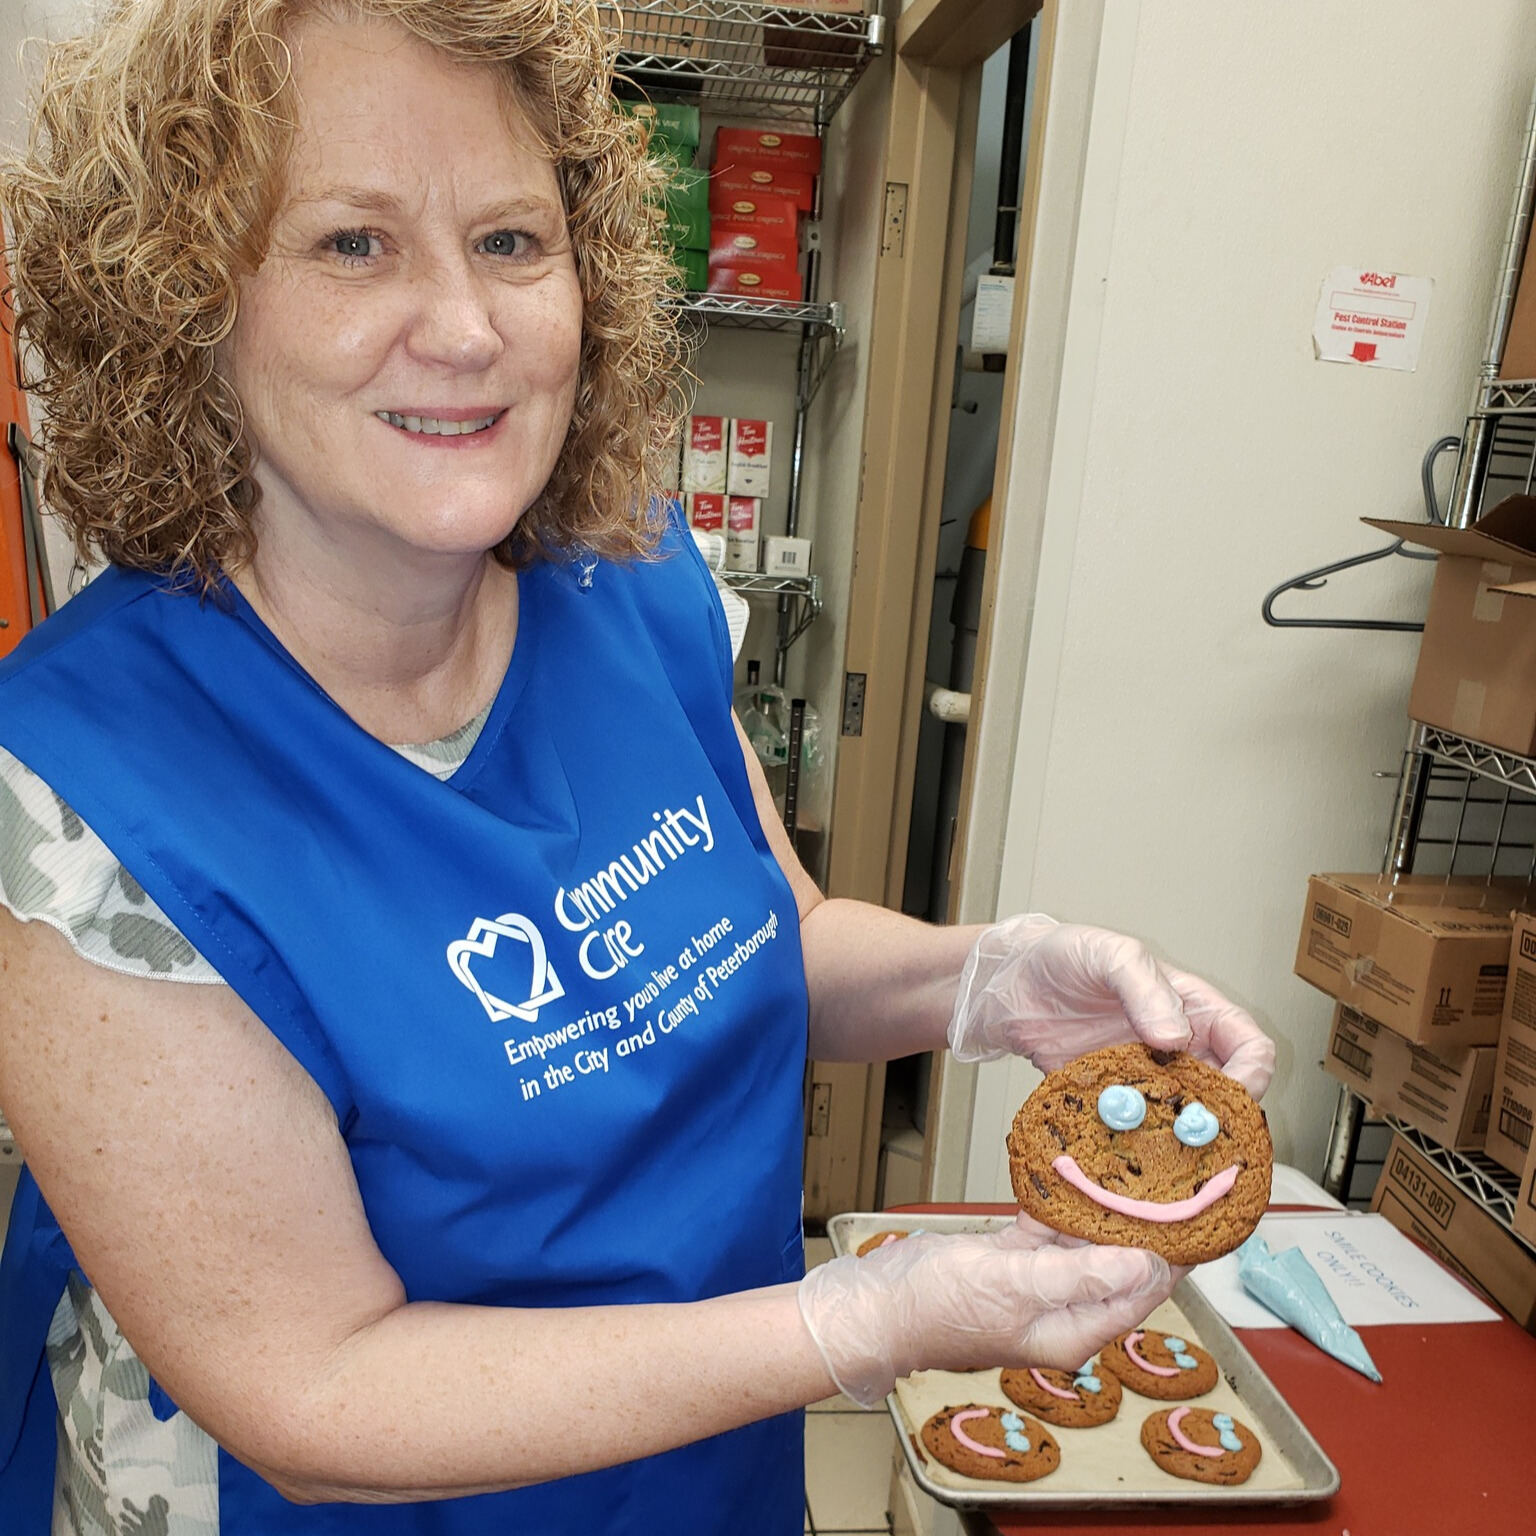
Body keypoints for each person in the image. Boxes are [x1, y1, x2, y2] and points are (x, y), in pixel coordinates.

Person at [0, 2, 1277, 1533]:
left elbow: (775, 941)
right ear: (188, 299)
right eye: (354, 244)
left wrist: (986, 980)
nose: (467, 328)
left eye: (513, 241)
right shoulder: (85, 787)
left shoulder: (630, 577)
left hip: (704, 1488)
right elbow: (312, 1392)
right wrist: (852, 1328)